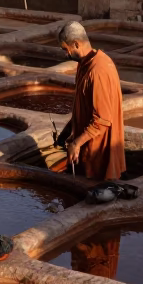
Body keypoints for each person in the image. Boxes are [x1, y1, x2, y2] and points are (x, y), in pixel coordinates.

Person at [54, 21, 126, 179]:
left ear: (76, 44)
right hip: (88, 148)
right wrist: (66, 132)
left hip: (98, 152)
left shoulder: (98, 71)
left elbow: (102, 120)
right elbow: (82, 106)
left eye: (66, 49)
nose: (65, 54)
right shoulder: (84, 64)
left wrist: (76, 143)